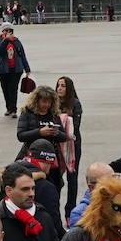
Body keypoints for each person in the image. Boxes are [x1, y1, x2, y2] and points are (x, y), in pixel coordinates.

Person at [0, 163, 64, 241]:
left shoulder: (44, 217)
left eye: (33, 188)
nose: (31, 194)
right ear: (8, 190)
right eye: (25, 189)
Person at [55, 75, 83, 218]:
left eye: (63, 86)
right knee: (56, 179)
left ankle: (69, 211)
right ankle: (55, 210)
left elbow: (75, 128)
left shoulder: (75, 104)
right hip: (56, 146)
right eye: (58, 85)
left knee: (72, 179)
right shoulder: (53, 103)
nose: (60, 88)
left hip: (72, 146)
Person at [0, 27, 31, 118]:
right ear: (2, 32)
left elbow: (22, 54)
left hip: (16, 69)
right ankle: (8, 108)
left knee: (13, 89)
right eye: (6, 31)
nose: (8, 33)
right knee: (5, 90)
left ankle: (13, 109)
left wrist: (27, 68)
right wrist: (5, 40)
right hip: (2, 70)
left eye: (10, 31)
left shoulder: (16, 41)